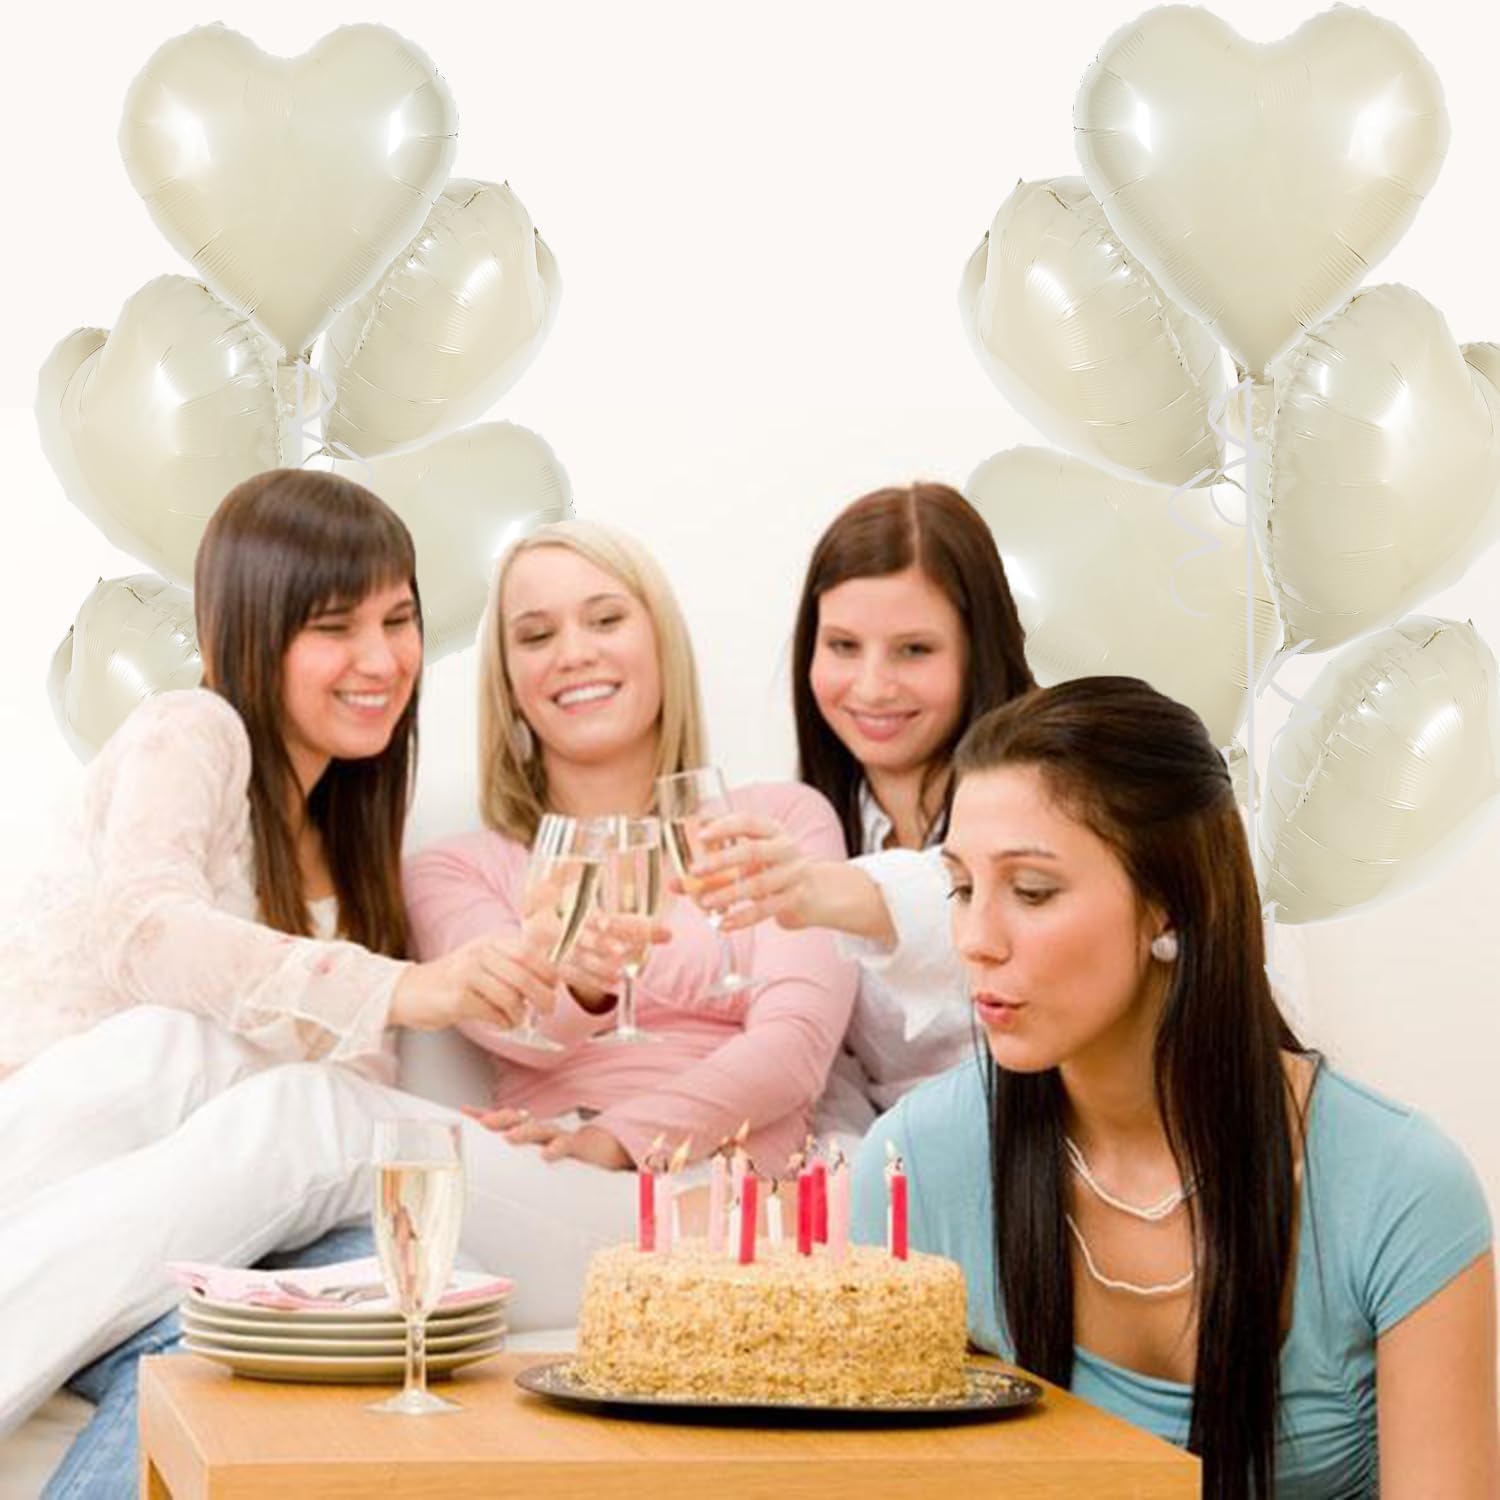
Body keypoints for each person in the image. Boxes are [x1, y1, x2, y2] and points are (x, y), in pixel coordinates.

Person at [0, 469, 554, 1434]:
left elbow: (327, 1104)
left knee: (416, 1286)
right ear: (251, 635)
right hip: (74, 1179)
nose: (381, 659)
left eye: (399, 620)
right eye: (334, 626)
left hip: (214, 1213)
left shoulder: (351, 836)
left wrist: (458, 1116)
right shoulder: (194, 728)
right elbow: (147, 931)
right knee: (181, 1043)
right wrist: (409, 989)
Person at [851, 677, 1497, 1499]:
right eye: (962, 888)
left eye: (1032, 891)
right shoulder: (914, 1169)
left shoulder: (1398, 1189)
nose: (976, 940)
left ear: (1167, 904)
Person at [695, 482, 1034, 1117]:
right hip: (896, 1163)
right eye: (843, 646)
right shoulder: (815, 821)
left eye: (914, 650)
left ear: (978, 649)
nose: (873, 687)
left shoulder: (1048, 793)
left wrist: (822, 891)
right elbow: (829, 1070)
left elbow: (967, 908)